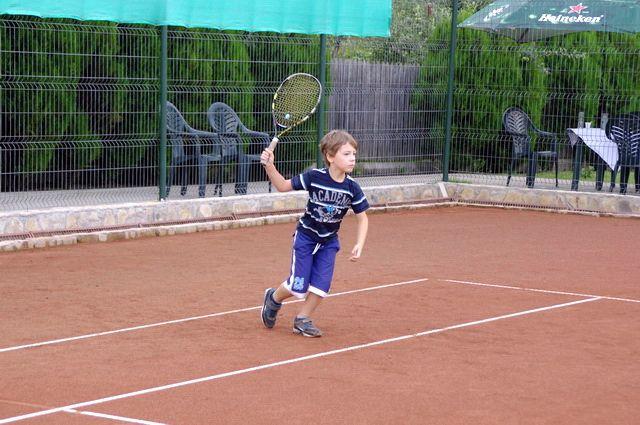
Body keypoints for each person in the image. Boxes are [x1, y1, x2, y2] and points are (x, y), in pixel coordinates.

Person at [260, 130, 369, 337]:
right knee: (298, 286)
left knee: (321, 285)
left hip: (329, 242)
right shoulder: (314, 177)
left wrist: (359, 244)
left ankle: (302, 319)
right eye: (346, 154)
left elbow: (362, 217)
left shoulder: (352, 187)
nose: (352, 158)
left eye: (354, 154)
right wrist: (269, 166)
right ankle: (273, 298)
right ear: (330, 156)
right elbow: (283, 186)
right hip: (306, 239)